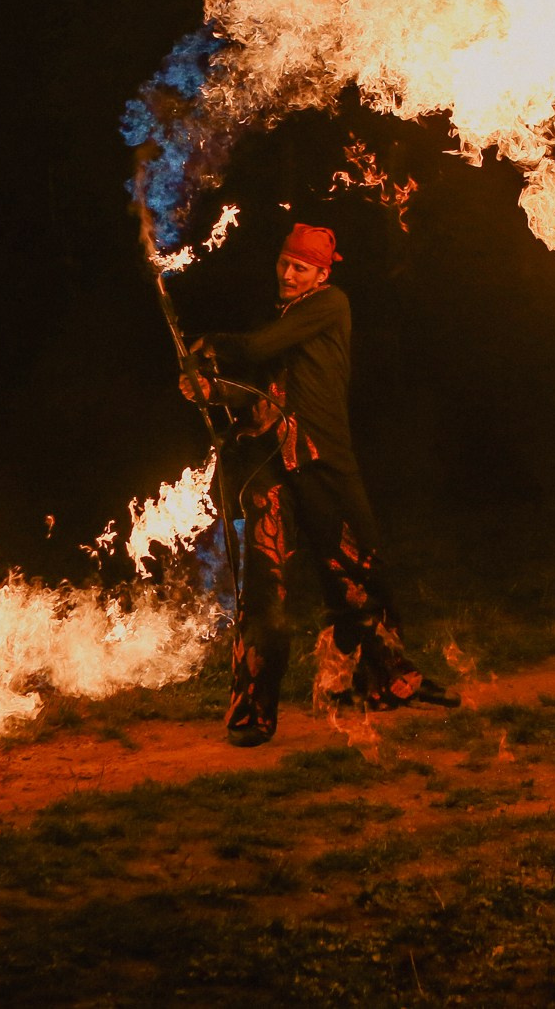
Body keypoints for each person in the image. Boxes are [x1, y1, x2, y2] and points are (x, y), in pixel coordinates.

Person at [186, 222, 454, 747]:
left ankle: (391, 681)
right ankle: (252, 715)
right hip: (271, 469)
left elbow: (257, 347)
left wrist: (211, 345)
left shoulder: (329, 307)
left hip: (325, 465)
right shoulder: (288, 318)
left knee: (358, 577)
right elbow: (256, 388)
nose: (288, 273)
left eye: (300, 267)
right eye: (285, 262)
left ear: (321, 274)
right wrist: (208, 388)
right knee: (264, 594)